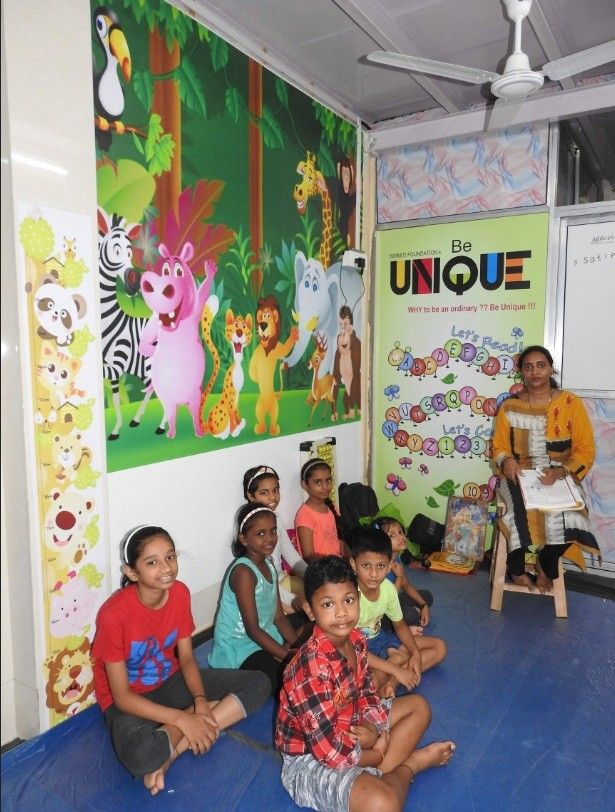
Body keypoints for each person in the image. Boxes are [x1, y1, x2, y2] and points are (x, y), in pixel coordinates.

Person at [91, 525, 270, 796]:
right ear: (132, 572)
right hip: (131, 700)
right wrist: (183, 718)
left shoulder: (180, 593)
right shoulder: (113, 614)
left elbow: (186, 659)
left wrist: (200, 701)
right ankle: (191, 725)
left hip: (171, 681)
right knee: (142, 757)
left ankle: (175, 751)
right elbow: (122, 697)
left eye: (170, 557)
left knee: (259, 683)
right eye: (152, 562)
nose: (166, 568)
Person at [275, 555, 455, 812]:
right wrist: (375, 753)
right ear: (310, 610)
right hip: (311, 759)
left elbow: (367, 692)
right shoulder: (308, 672)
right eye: (328, 604)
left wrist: (370, 726)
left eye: (348, 600)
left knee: (419, 708)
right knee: (384, 804)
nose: (341, 613)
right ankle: (411, 765)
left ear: (358, 598)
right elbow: (330, 753)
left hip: (352, 725)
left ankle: (375, 776)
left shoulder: (356, 639)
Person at [492, 345, 600, 593]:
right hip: (519, 474)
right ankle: (516, 568)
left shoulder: (570, 403)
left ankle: (546, 563)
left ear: (551, 368)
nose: (535, 371)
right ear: (522, 372)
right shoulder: (509, 407)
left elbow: (585, 449)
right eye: (528, 367)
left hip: (560, 473)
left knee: (575, 516)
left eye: (541, 365)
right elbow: (499, 447)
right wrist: (507, 462)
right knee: (518, 512)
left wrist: (561, 472)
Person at [209, 503, 300, 693]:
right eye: (260, 533)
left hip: (265, 631)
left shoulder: (269, 564)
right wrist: (288, 656)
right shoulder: (243, 572)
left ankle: (281, 652)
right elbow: (252, 630)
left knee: (309, 623)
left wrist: (299, 648)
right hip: (239, 645)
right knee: (285, 682)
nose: (269, 538)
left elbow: (278, 617)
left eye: (273, 531)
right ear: (244, 539)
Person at [349, 527, 447, 698]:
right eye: (366, 565)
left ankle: (392, 681)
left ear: (389, 567)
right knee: (370, 683)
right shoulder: (349, 597)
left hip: (382, 638)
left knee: (440, 648)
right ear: (353, 564)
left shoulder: (388, 589)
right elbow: (352, 649)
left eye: (380, 566)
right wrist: (395, 668)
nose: (373, 574)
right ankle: (396, 666)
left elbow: (400, 625)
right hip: (359, 650)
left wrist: (415, 653)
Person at [243, 464, 307, 614]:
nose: (272, 497)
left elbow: (290, 553)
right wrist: (294, 601)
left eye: (275, 490)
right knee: (299, 610)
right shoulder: (249, 529)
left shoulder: (276, 517)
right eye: (264, 492)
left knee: (319, 590)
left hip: (280, 579)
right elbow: (265, 581)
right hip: (263, 588)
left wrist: (314, 576)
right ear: (251, 496)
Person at [378, 516, 434, 628]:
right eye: (392, 535)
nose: (401, 537)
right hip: (381, 613)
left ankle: (416, 611)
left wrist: (423, 606)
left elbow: (406, 585)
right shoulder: (379, 566)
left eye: (400, 532)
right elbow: (387, 603)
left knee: (427, 596)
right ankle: (409, 619)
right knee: (409, 615)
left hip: (394, 602)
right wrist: (398, 577)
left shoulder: (396, 558)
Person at [295, 457, 349, 562]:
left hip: (336, 563)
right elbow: (309, 556)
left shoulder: (330, 507)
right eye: (318, 482)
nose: (325, 487)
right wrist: (334, 565)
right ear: (305, 485)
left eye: (328, 481)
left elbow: (338, 543)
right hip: (320, 568)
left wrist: (352, 559)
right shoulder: (305, 515)